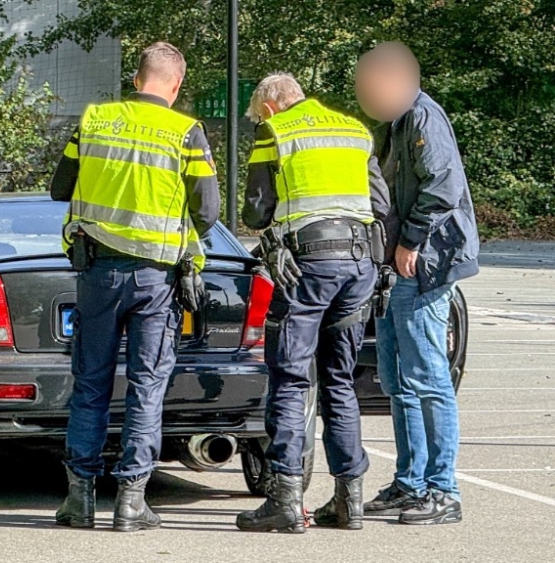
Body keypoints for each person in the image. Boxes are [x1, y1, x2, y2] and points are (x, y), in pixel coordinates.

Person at [49, 41, 220, 532]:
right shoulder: (185, 132)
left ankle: (79, 500)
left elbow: (61, 188)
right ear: (176, 84)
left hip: (98, 273)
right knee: (146, 385)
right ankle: (131, 502)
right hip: (155, 279)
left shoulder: (96, 121)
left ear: (136, 77)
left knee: (91, 383)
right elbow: (206, 213)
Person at [236, 73, 390, 534]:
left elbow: (255, 211)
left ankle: (284, 498)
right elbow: (380, 202)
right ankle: (349, 501)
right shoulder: (354, 130)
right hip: (359, 264)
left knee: (289, 378)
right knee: (339, 380)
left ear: (269, 107)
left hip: (307, 267)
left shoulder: (276, 132)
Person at [355, 42, 479, 526]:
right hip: (399, 266)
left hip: (427, 263)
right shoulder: (397, 124)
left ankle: (443, 489)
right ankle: (411, 482)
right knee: (397, 379)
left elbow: (443, 188)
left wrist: (408, 241)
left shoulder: (425, 119)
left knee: (427, 377)